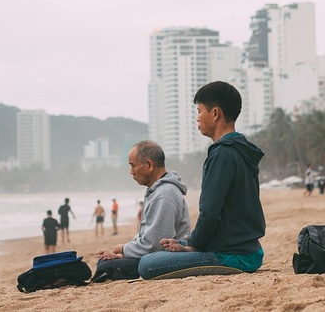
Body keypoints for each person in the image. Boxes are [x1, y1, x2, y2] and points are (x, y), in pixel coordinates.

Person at [138, 81, 266, 279]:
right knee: (174, 243)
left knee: (147, 264)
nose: (197, 118)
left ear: (215, 113)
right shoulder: (241, 149)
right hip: (248, 248)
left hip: (233, 255)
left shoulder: (222, 154)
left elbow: (210, 213)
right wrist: (190, 242)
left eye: (199, 111)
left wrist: (194, 246)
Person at [93, 140, 191, 281]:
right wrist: (123, 253)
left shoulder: (164, 194)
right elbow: (145, 236)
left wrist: (123, 249)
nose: (131, 172)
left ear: (149, 165)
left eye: (133, 166)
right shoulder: (157, 191)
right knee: (105, 262)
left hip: (166, 256)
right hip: (154, 253)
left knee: (105, 266)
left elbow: (155, 244)